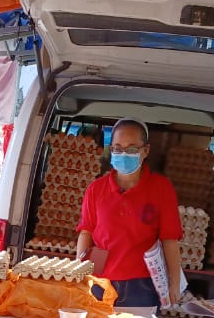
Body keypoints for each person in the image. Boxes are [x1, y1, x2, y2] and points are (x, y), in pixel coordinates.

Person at [75, 119, 183, 308]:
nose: (123, 154)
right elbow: (86, 232)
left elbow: (170, 239)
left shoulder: (161, 188)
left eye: (132, 149)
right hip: (100, 283)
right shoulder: (96, 189)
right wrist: (79, 274)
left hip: (142, 286)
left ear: (145, 151)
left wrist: (174, 284)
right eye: (118, 148)